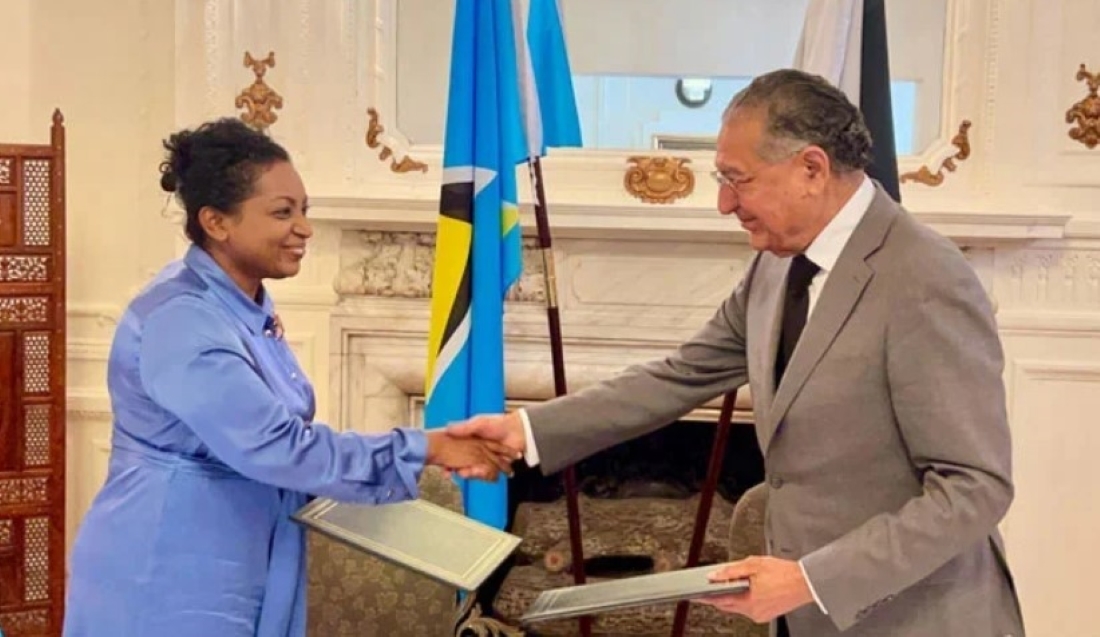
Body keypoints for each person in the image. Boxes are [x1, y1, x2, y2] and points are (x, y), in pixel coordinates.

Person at [448, 69, 1025, 637]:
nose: (724, 202)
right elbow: (678, 378)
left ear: (811, 168)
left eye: (737, 178)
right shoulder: (775, 266)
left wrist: (810, 579)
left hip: (923, 620)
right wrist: (525, 431)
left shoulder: (926, 278)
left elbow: (974, 487)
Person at [62, 118, 515, 637]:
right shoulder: (181, 319)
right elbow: (280, 448)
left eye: (304, 210)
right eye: (283, 212)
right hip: (169, 565)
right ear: (216, 222)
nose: (304, 228)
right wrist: (426, 448)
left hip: (242, 551)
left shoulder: (241, 302)